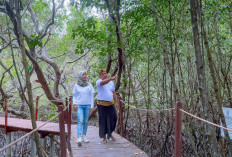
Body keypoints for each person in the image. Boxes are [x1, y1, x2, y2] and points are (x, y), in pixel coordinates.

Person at [73, 71, 94, 146]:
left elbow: (92, 96)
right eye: (83, 74)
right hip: (79, 105)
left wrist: (92, 106)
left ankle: (84, 136)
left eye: (85, 74)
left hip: (87, 105)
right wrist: (75, 104)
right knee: (80, 121)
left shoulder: (89, 85)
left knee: (85, 121)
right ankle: (79, 137)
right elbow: (74, 95)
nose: (85, 76)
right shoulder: (76, 85)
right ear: (80, 76)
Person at [96, 69, 118, 144]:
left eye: (105, 73)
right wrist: (111, 78)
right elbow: (103, 82)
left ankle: (110, 133)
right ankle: (104, 138)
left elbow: (113, 92)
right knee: (103, 120)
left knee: (114, 118)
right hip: (101, 104)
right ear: (100, 76)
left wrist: (116, 102)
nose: (104, 75)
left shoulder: (111, 83)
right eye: (102, 74)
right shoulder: (98, 81)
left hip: (110, 104)